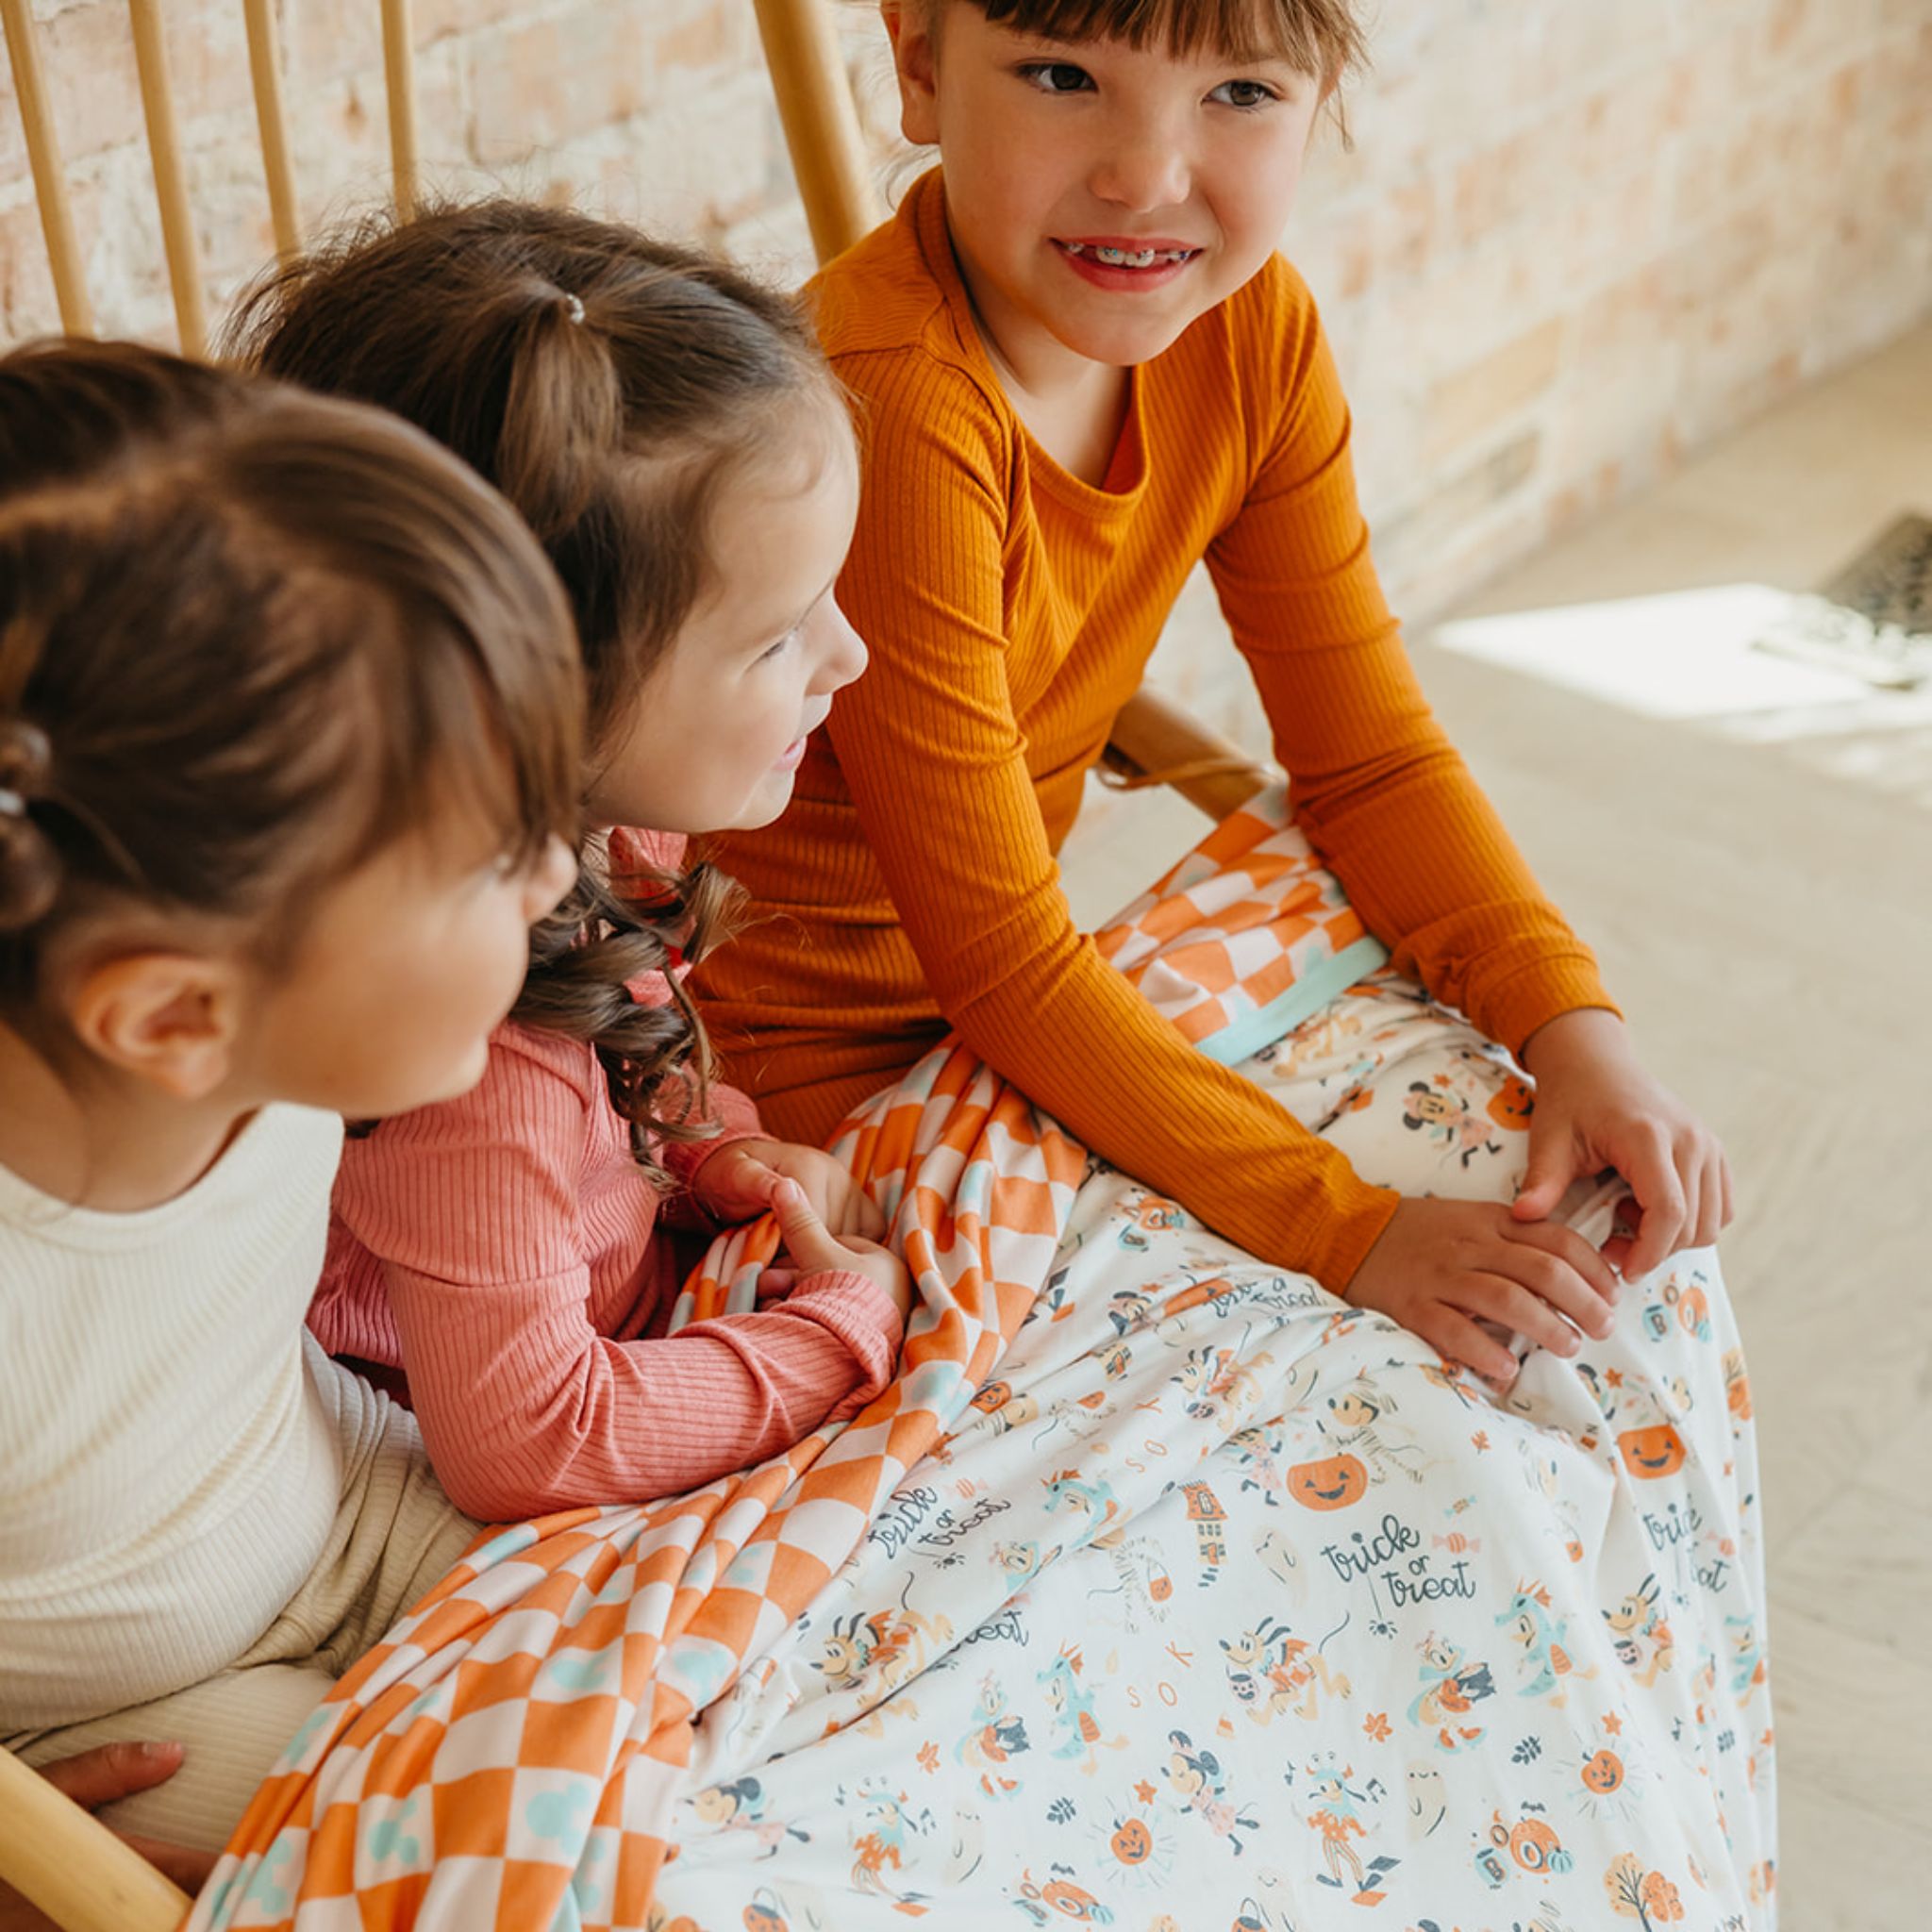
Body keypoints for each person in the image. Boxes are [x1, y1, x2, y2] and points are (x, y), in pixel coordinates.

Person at [694, 0, 1733, 1382]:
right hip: (799, 1084)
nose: (1146, 176)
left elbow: (1369, 760)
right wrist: (1350, 1233)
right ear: (921, 68)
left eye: (1239, 92)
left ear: (1318, 108)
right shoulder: (894, 405)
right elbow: (1004, 964)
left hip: (1015, 1016)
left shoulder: (1251, 333)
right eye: (1064, 76)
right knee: (1354, 1381)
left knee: (1603, 1244)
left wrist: (1570, 1025)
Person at [228, 202, 914, 1523]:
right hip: (420, 1459)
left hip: (604, 1301)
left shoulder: (598, 820)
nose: (848, 658)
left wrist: (715, 1149)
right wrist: (838, 1332)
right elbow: (530, 1444)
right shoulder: (465, 1071)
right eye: (775, 638)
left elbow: (627, 1041)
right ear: (541, 698)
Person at [0, 339, 583, 1878]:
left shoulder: (250, 1030)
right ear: (176, 1015)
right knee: (481, 1863)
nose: (561, 878)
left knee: (695, 1695)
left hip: (363, 1508)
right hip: (134, 1723)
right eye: (491, 861)